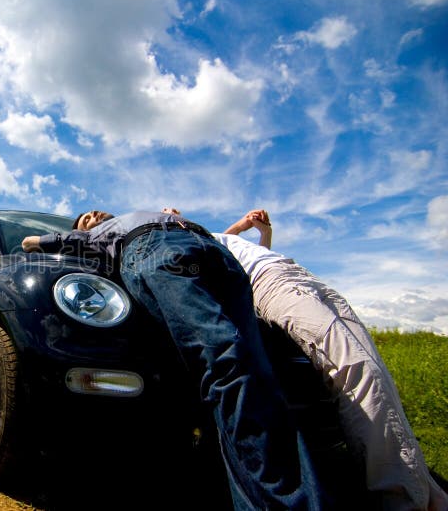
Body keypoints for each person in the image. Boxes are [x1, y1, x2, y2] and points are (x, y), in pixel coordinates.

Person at [22, 210, 325, 510]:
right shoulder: (91, 238)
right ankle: (286, 503)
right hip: (156, 248)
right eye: (85, 218)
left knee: (259, 372)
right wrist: (44, 240)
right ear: (80, 232)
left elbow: (221, 235)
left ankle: (248, 490)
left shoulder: (138, 212)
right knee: (227, 358)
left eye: (94, 212)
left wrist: (245, 225)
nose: (94, 215)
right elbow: (36, 243)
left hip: (214, 252)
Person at [209, 208, 448, 511]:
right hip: (270, 284)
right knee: (357, 372)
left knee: (376, 373)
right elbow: (236, 266)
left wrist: (257, 229)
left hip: (301, 275)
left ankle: (424, 487)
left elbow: (245, 246)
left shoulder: (221, 238)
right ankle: (403, 499)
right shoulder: (189, 239)